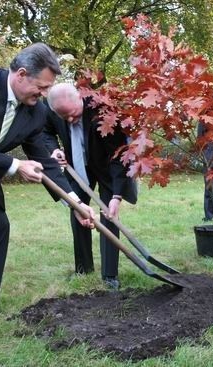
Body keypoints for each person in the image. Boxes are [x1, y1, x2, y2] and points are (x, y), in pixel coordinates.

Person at [0, 43, 95, 342]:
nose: (43, 96)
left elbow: (44, 160)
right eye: (41, 88)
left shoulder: (35, 112)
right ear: (22, 74)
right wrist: (15, 165)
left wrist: (77, 203)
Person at [43, 83, 138, 290]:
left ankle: (110, 275)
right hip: (76, 166)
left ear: (79, 98)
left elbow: (119, 155)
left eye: (73, 114)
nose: (69, 120)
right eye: (63, 116)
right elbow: (45, 131)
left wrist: (117, 195)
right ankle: (83, 268)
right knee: (77, 209)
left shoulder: (103, 110)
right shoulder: (52, 110)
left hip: (106, 166)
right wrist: (54, 149)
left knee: (108, 213)